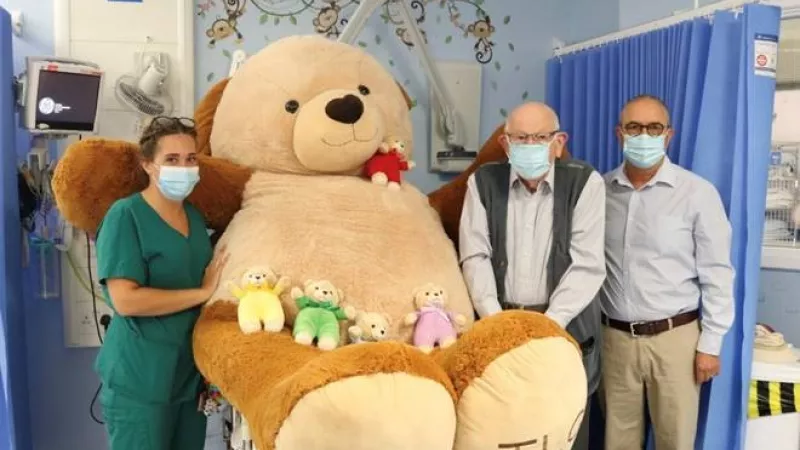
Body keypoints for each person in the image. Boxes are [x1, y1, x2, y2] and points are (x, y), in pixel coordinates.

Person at [459, 102, 607, 450]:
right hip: (500, 320)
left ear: (558, 142)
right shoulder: (483, 182)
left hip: (564, 326)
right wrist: (497, 323)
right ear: (506, 144)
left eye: (540, 137)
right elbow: (475, 255)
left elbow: (587, 264)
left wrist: (548, 325)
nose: (530, 145)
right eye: (521, 138)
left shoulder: (585, 182)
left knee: (563, 427)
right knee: (507, 426)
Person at [600, 95, 735, 450]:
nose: (644, 135)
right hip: (614, 340)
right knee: (617, 439)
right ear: (619, 134)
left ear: (668, 135)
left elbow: (717, 273)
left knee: (675, 440)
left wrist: (711, 344)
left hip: (676, 340)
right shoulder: (598, 192)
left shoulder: (697, 194)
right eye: (634, 127)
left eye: (654, 127)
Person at [94, 116, 229, 450]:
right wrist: (201, 293)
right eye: (171, 159)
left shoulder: (196, 218)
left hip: (188, 375)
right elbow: (126, 300)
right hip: (140, 378)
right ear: (148, 165)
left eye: (190, 159)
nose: (183, 168)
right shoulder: (126, 216)